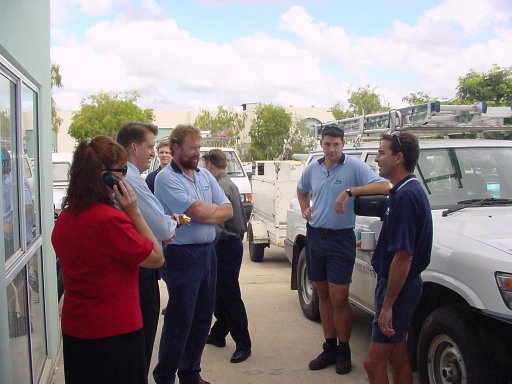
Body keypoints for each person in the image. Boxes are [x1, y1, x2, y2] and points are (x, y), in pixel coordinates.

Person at [51, 136, 164, 384]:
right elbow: (156, 257)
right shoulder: (111, 221)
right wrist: (134, 213)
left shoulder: (67, 218)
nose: (126, 177)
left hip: (77, 331)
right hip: (115, 333)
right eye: (122, 170)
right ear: (106, 177)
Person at [297, 123, 389, 375]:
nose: (331, 149)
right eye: (327, 144)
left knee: (339, 298)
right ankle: (329, 347)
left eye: (336, 144)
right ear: (321, 144)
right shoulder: (313, 168)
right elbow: (301, 189)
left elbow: (384, 187)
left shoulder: (354, 167)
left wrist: (350, 192)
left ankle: (344, 349)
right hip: (316, 236)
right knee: (323, 295)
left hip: (340, 239)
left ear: (343, 144)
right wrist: (305, 207)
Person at [153, 124, 233, 384]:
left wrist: (204, 212)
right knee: (180, 319)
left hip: (208, 253)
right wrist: (205, 212)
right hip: (181, 257)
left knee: (201, 318)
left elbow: (228, 209)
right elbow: (198, 212)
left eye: (199, 147)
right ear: (176, 148)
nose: (197, 152)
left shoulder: (204, 175)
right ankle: (165, 376)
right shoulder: (167, 178)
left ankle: (190, 374)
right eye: (192, 148)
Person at [363, 131, 433, 384]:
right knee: (398, 355)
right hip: (404, 285)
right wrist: (380, 249)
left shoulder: (405, 196)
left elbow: (404, 257)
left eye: (382, 153)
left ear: (399, 157)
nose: (377, 159)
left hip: (399, 289)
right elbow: (401, 246)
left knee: (372, 363)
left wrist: (388, 306)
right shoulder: (403, 190)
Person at [117, 122, 179, 379]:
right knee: (140, 347)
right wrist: (170, 224)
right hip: (139, 269)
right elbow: (164, 230)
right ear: (134, 148)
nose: (154, 153)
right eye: (150, 147)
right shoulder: (132, 181)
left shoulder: (126, 178)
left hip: (131, 268)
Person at [203, 149, 252, 364]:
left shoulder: (221, 186)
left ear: (210, 165)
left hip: (225, 245)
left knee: (229, 295)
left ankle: (243, 344)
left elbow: (217, 224)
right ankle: (218, 333)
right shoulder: (226, 183)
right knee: (218, 293)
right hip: (227, 244)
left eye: (205, 166)